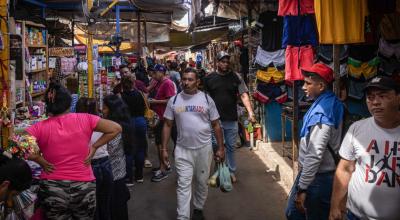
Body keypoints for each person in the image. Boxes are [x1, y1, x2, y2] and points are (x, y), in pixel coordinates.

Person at [26, 83, 121, 220]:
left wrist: (39, 159)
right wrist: (94, 147)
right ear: (69, 102)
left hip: (53, 188)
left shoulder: (38, 127)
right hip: (84, 186)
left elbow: (14, 146)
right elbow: (116, 128)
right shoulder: (85, 119)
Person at [329, 76, 400, 220]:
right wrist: (335, 204)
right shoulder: (357, 129)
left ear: (398, 98)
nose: (375, 102)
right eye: (370, 97)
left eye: (382, 96)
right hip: (355, 216)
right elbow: (344, 169)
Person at [162, 68, 225, 220]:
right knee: (183, 184)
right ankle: (182, 216)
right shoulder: (174, 100)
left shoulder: (206, 99)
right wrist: (164, 148)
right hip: (182, 150)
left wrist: (221, 148)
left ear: (198, 82)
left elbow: (216, 125)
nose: (186, 83)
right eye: (184, 79)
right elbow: (168, 125)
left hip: (204, 149)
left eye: (190, 80)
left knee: (202, 182)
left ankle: (198, 208)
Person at [285, 63, 344, 220]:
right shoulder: (328, 103)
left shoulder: (323, 112)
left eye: (308, 83)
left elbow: (315, 152)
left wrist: (303, 187)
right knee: (294, 213)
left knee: (299, 214)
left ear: (321, 85)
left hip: (318, 178)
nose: (304, 87)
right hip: (315, 176)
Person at [203, 51, 256, 182]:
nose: (225, 64)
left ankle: (231, 171)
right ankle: (219, 169)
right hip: (214, 120)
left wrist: (250, 112)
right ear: (217, 62)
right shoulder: (209, 78)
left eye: (227, 61)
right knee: (216, 145)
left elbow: (243, 95)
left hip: (231, 118)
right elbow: (204, 98)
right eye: (222, 61)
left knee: (231, 146)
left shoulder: (236, 77)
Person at [76, 97, 113, 220]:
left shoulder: (77, 126)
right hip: (105, 164)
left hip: (89, 167)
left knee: (92, 208)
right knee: (105, 205)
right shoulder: (102, 122)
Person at [103, 95, 133, 220]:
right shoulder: (123, 123)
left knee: (115, 208)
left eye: (104, 108)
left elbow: (110, 150)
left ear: (111, 110)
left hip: (114, 173)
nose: (102, 111)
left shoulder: (114, 128)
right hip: (119, 171)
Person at [149, 64, 177, 182]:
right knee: (159, 143)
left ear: (162, 72)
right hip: (158, 117)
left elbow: (171, 100)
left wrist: (155, 101)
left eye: (155, 72)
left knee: (162, 144)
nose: (153, 74)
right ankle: (163, 165)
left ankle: (164, 169)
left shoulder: (167, 83)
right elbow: (148, 89)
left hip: (165, 117)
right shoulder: (157, 82)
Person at [120, 76, 148, 184]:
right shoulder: (140, 94)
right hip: (140, 122)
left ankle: (129, 178)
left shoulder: (120, 96)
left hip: (127, 123)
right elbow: (146, 106)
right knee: (140, 148)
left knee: (128, 150)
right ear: (133, 84)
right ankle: (139, 176)